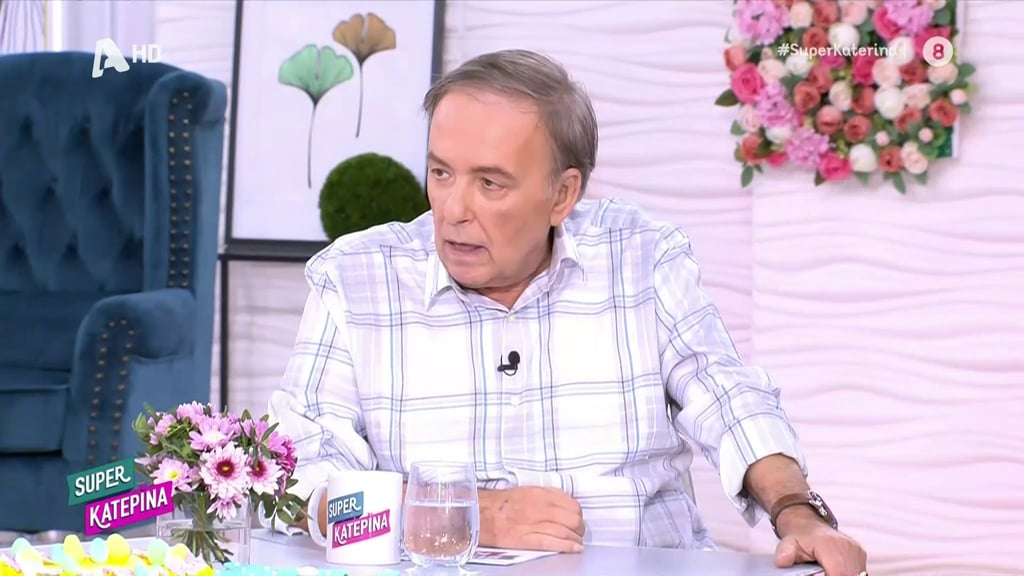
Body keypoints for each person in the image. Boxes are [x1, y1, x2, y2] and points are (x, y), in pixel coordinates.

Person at [265, 49, 869, 576]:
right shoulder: (355, 278)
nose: (452, 209)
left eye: (490, 184)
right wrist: (462, 514)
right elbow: (301, 480)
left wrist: (798, 512)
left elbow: (727, 398)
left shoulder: (642, 257)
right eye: (441, 172)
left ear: (563, 194)